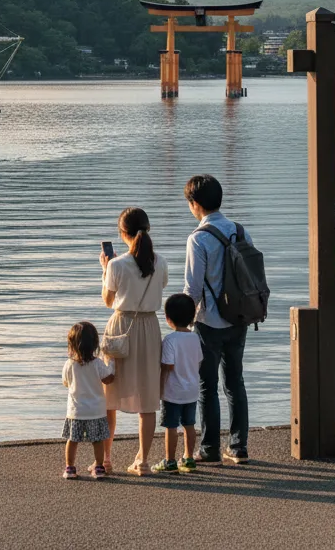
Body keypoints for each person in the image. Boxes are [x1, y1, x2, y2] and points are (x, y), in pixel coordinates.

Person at [181, 174, 250, 464]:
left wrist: (182, 322)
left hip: (209, 321)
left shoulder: (198, 238)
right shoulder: (240, 230)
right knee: (235, 381)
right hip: (240, 317)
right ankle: (238, 447)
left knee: (207, 385)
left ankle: (209, 449)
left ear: (194, 204)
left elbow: (193, 288)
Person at [99, 206, 169, 476]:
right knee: (148, 397)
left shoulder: (116, 264)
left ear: (123, 233)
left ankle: (105, 458)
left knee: (109, 394)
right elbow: (158, 287)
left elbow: (108, 301)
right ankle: (143, 461)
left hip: (122, 327)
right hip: (150, 327)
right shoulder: (160, 262)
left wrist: (105, 270)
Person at [153, 293, 203, 474]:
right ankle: (189, 458)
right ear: (192, 317)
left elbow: (167, 366)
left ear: (168, 319)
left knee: (171, 426)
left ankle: (170, 460)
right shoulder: (195, 338)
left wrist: (159, 389)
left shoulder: (170, 340)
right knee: (189, 424)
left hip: (173, 391)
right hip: (192, 390)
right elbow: (198, 362)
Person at [61, 321, 115, 480]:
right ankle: (99, 468)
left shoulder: (69, 364)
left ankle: (70, 468)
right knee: (97, 440)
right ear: (94, 344)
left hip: (75, 411)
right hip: (96, 411)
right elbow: (108, 379)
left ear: (71, 345)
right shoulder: (97, 363)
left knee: (73, 440)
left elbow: (65, 382)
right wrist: (111, 362)